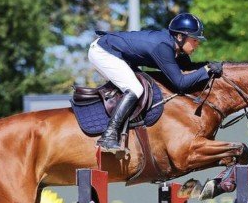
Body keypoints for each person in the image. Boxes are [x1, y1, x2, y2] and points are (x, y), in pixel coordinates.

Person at [88, 13, 223, 153]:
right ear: (180, 37)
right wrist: (206, 69)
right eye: (194, 40)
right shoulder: (163, 47)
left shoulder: (175, 47)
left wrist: (209, 66)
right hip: (103, 52)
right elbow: (181, 84)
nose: (197, 44)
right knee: (135, 88)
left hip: (119, 54)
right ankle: (108, 136)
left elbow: (187, 68)